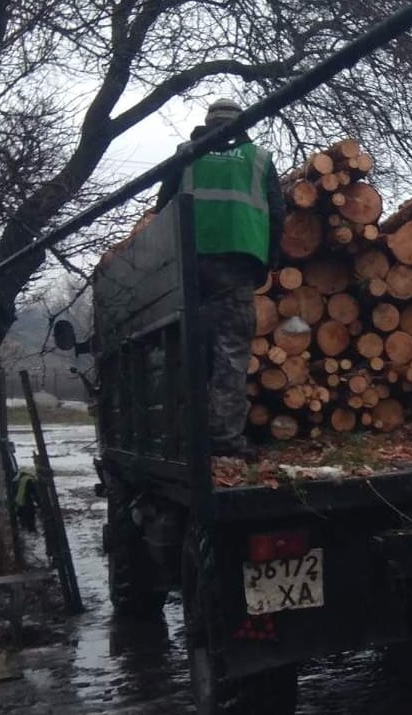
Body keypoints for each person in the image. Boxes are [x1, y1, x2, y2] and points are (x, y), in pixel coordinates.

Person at [156, 99, 284, 457]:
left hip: (188, 263)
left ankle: (180, 437)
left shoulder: (186, 154)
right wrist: (270, 261)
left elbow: (162, 208)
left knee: (185, 347)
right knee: (230, 350)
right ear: (240, 123)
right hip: (238, 264)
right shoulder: (259, 158)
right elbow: (276, 212)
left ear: (207, 122)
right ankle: (224, 440)